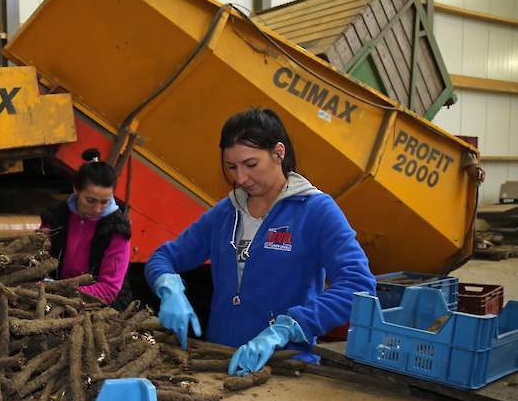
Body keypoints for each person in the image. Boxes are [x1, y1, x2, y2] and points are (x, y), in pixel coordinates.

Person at [144, 108, 375, 376]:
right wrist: (168, 288)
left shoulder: (316, 211)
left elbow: (359, 285)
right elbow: (164, 258)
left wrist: (289, 327)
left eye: (251, 165)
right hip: (220, 362)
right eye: (232, 167)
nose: (240, 178)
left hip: (285, 367)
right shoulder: (225, 213)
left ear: (279, 153)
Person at [40, 150, 132, 309]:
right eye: (90, 200)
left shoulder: (117, 229)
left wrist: (60, 293)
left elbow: (109, 290)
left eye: (104, 202)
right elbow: (38, 260)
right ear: (76, 189)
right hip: (52, 295)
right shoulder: (55, 216)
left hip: (99, 306)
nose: (97, 209)